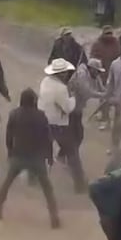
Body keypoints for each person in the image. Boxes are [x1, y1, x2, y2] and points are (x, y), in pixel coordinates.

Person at [0, 89, 60, 228]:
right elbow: (47, 138)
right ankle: (54, 218)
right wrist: (49, 156)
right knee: (47, 188)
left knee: (7, 183)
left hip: (19, 155)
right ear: (34, 101)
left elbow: (9, 136)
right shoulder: (41, 116)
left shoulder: (14, 114)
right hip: (36, 157)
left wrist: (10, 151)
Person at [38, 58, 86, 193]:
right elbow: (68, 108)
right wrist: (73, 97)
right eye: (64, 72)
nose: (66, 74)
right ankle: (80, 185)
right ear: (60, 73)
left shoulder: (45, 81)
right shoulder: (61, 88)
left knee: (40, 152)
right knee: (72, 154)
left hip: (43, 120)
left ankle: (34, 179)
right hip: (59, 124)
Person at [66, 58, 107, 154]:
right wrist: (103, 95)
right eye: (97, 71)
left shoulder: (94, 75)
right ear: (91, 69)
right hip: (71, 106)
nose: (98, 74)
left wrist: (108, 93)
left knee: (77, 134)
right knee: (75, 134)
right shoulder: (81, 75)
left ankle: (67, 153)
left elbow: (101, 88)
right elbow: (86, 92)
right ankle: (69, 154)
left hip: (78, 107)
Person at [89, 26, 121, 128]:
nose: (109, 36)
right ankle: (105, 117)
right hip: (102, 73)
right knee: (104, 97)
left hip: (114, 74)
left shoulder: (116, 44)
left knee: (114, 97)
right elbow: (93, 58)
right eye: (107, 33)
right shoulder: (97, 44)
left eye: (110, 33)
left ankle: (113, 119)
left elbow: (119, 57)